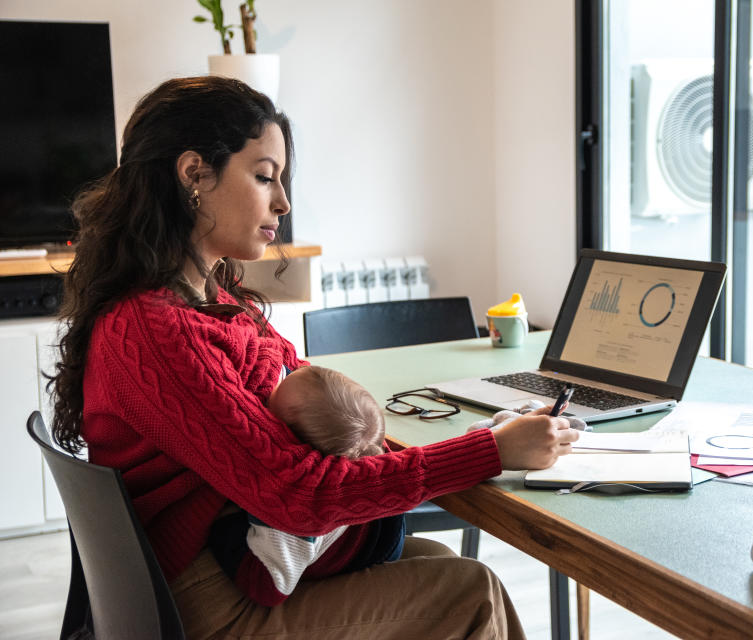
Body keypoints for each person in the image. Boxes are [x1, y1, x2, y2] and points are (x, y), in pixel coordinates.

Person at [50, 75, 579, 639]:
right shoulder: (156, 329)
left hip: (226, 560)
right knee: (468, 593)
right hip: (203, 604)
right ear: (193, 175)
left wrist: (481, 444)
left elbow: (290, 394)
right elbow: (300, 493)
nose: (283, 202)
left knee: (453, 571)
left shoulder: (211, 300)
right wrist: (489, 452)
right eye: (263, 177)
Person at [209, 365, 405, 607]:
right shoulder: (347, 444)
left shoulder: (297, 509)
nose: (259, 406)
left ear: (297, 449)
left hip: (370, 548)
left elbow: (268, 586)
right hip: (374, 516)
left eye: (267, 409)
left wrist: (222, 531)